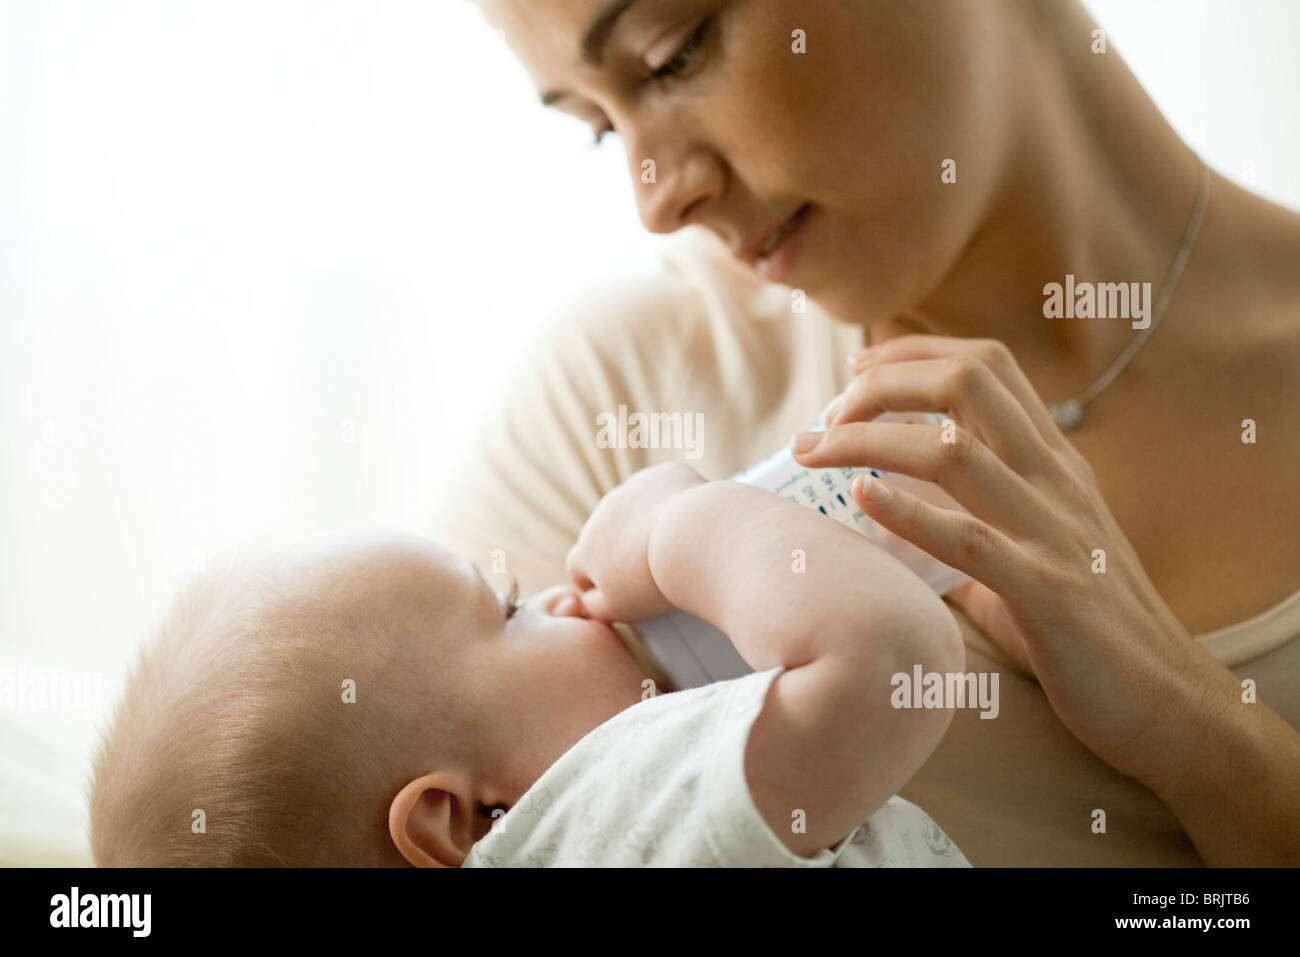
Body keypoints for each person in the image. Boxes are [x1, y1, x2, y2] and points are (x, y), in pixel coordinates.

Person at [433, 0, 1300, 865]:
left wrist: (1193, 726)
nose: (655, 199)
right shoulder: (615, 403)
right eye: (596, 127)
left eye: (674, 53)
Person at [88, 467, 972, 867]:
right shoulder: (598, 819)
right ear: (458, 820)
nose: (558, 600)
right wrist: (682, 531)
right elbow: (892, 665)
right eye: (508, 613)